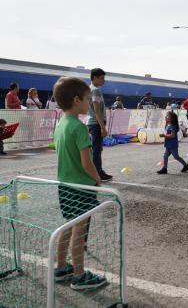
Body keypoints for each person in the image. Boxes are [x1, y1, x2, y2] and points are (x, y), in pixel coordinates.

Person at [52, 76, 107, 290]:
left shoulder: (61, 125)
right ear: (77, 100)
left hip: (64, 185)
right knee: (79, 230)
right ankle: (79, 275)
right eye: (86, 99)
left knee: (68, 226)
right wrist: (97, 178)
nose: (89, 104)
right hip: (81, 187)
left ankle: (61, 266)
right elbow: (87, 163)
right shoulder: (79, 127)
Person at [87, 68, 112, 182]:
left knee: (96, 149)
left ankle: (97, 171)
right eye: (102, 78)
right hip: (96, 123)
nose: (104, 80)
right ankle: (97, 172)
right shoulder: (95, 90)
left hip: (92, 122)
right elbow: (97, 110)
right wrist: (102, 127)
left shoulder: (89, 89)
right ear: (95, 77)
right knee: (97, 149)